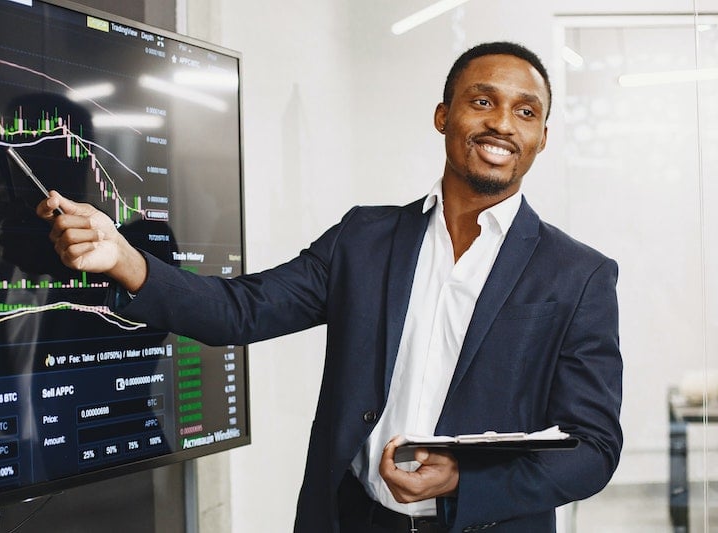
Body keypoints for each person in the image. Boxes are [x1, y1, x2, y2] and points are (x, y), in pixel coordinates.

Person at [37, 41, 622, 533]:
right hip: (352, 520)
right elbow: (240, 311)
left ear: (543, 137)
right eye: (482, 101)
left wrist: (466, 477)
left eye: (526, 112)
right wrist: (123, 258)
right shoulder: (363, 239)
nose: (501, 123)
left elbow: (592, 449)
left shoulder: (578, 274)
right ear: (444, 115)